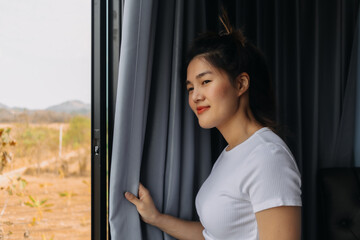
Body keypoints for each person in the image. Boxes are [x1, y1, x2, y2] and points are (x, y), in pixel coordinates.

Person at [124, 13, 302, 240]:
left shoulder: (268, 156)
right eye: (190, 88)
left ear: (240, 84)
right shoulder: (233, 152)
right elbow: (213, 235)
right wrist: (156, 218)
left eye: (205, 82)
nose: (195, 96)